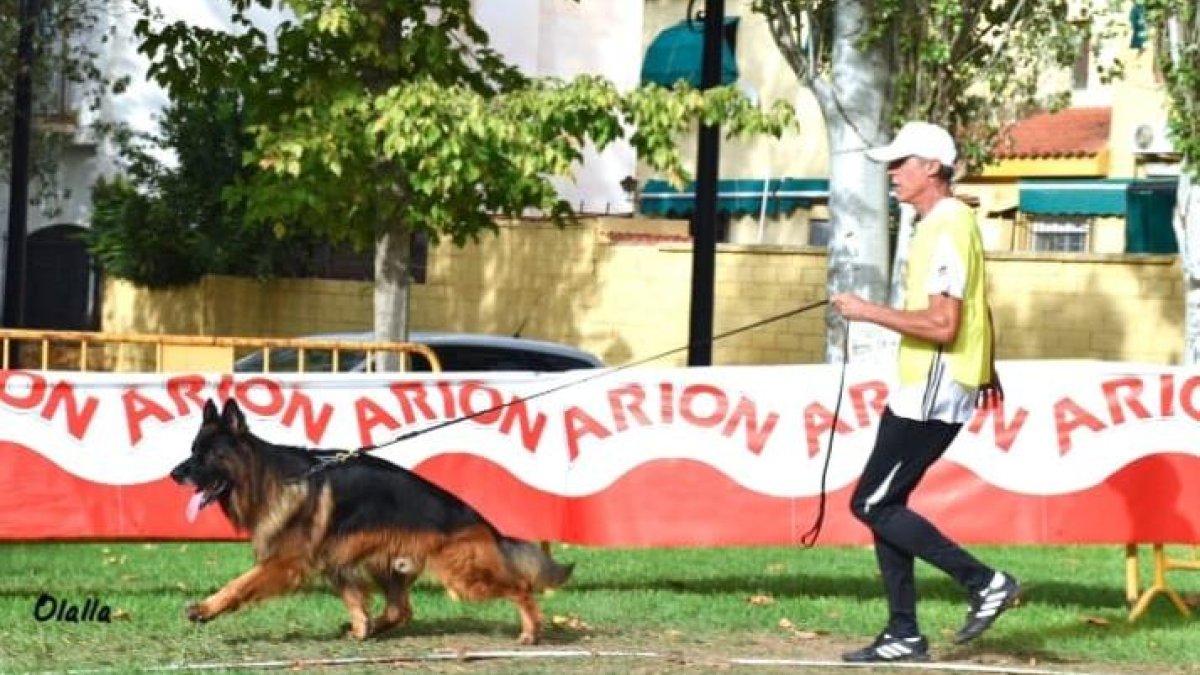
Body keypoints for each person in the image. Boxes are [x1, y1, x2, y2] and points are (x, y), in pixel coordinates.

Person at [830, 121, 1018, 663]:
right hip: (929, 381)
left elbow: (943, 324)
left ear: (931, 168)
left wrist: (866, 311)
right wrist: (987, 365)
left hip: (932, 385)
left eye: (901, 163)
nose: (891, 173)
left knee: (871, 502)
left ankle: (984, 582)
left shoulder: (946, 226)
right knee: (884, 504)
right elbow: (977, 305)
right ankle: (903, 634)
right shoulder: (944, 222)